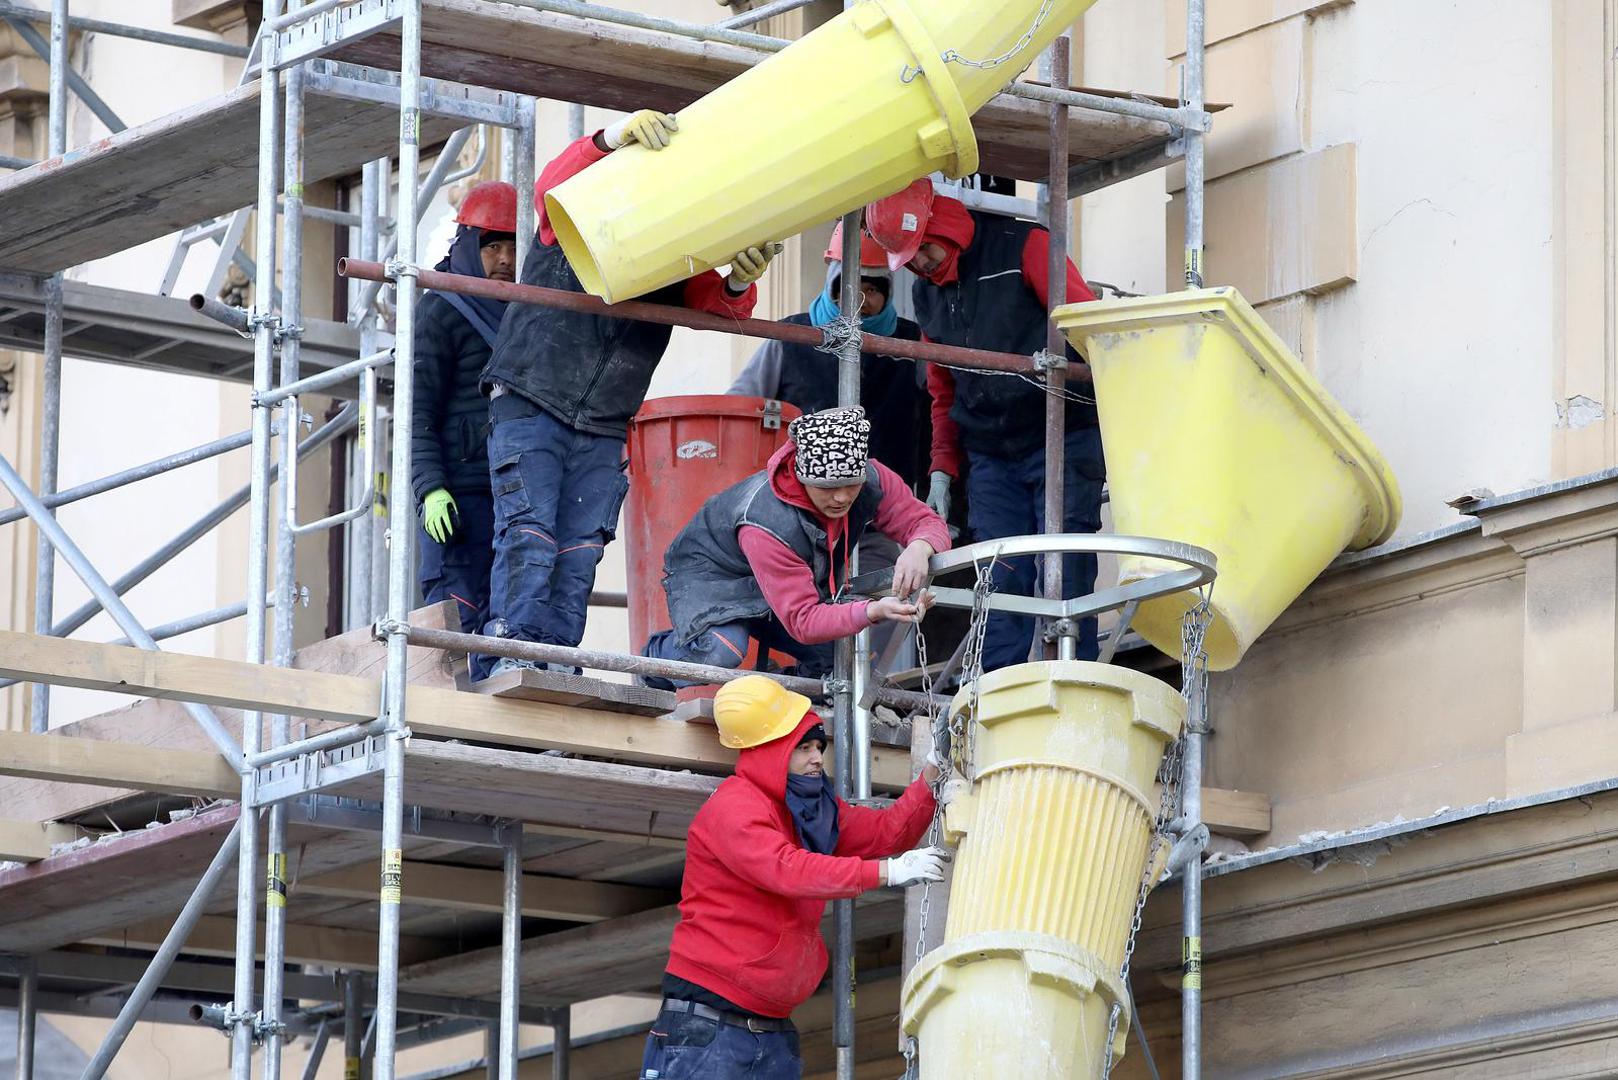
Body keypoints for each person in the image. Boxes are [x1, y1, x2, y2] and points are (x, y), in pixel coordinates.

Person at [476, 109, 781, 679]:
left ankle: (557, 663)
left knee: (578, 552)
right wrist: (610, 138)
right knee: (530, 536)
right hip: (532, 398)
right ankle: (513, 654)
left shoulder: (674, 251)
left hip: (601, 421)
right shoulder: (580, 209)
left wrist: (739, 278)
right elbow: (552, 187)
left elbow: (720, 307)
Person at [642, 674, 947, 1079]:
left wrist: (931, 773)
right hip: (709, 1026)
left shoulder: (813, 811)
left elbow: (888, 831)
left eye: (819, 746)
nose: (818, 758)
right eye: (803, 748)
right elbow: (786, 869)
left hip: (769, 1030)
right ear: (770, 751)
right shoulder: (734, 807)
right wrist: (888, 872)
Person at [865, 178, 1106, 668]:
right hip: (992, 453)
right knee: (999, 575)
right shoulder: (929, 293)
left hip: (1063, 433)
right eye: (909, 259)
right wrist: (941, 470)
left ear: (943, 227)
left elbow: (1089, 327)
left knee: (1064, 567)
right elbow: (942, 389)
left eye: (923, 251)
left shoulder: (1026, 246)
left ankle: (1072, 675)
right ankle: (999, 687)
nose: (919, 265)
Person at [643, 406, 950, 684]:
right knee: (721, 652)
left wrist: (919, 546)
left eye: (850, 486)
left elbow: (927, 522)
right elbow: (804, 620)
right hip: (712, 576)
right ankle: (651, 667)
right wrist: (872, 610)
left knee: (844, 661)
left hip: (779, 587)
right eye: (827, 488)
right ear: (802, 478)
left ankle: (780, 695)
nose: (841, 497)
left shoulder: (872, 480)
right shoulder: (766, 522)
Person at [727, 222, 928, 491]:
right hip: (801, 493)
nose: (860, 300)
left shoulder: (910, 341)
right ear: (832, 285)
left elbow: (937, 412)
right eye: (849, 286)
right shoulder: (791, 335)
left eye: (872, 290)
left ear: (888, 291)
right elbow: (739, 405)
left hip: (886, 499)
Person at [409, 180, 517, 636]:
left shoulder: (529, 312)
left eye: (513, 247)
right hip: (458, 502)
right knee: (456, 627)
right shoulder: (440, 310)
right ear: (469, 245)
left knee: (508, 626)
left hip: (515, 496)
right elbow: (416, 414)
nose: (506, 260)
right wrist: (430, 488)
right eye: (493, 246)